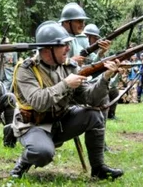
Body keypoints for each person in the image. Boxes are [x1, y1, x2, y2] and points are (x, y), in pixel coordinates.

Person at [9, 21, 124, 180]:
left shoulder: (69, 67)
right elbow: (38, 102)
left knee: (94, 116)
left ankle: (98, 168)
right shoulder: (26, 69)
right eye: (64, 45)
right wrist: (65, 84)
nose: (69, 49)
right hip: (34, 125)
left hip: (60, 121)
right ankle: (24, 161)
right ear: (48, 49)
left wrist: (105, 78)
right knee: (43, 152)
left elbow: (90, 98)